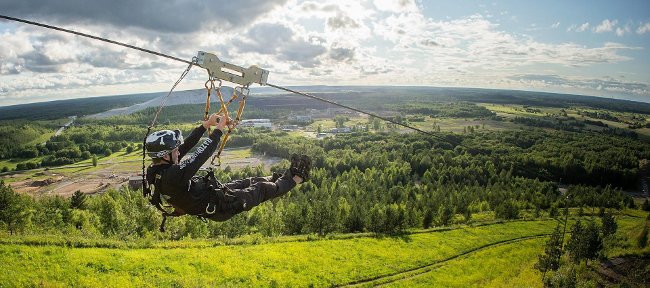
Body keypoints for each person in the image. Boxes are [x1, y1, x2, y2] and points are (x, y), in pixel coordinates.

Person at [145, 113, 311, 223]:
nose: (178, 152)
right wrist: (218, 130)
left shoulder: (159, 170)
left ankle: (281, 181)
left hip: (214, 194)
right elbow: (200, 156)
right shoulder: (173, 175)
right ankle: (296, 178)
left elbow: (185, 146)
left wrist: (205, 125)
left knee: (250, 181)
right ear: (166, 155)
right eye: (175, 150)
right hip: (220, 207)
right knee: (262, 188)